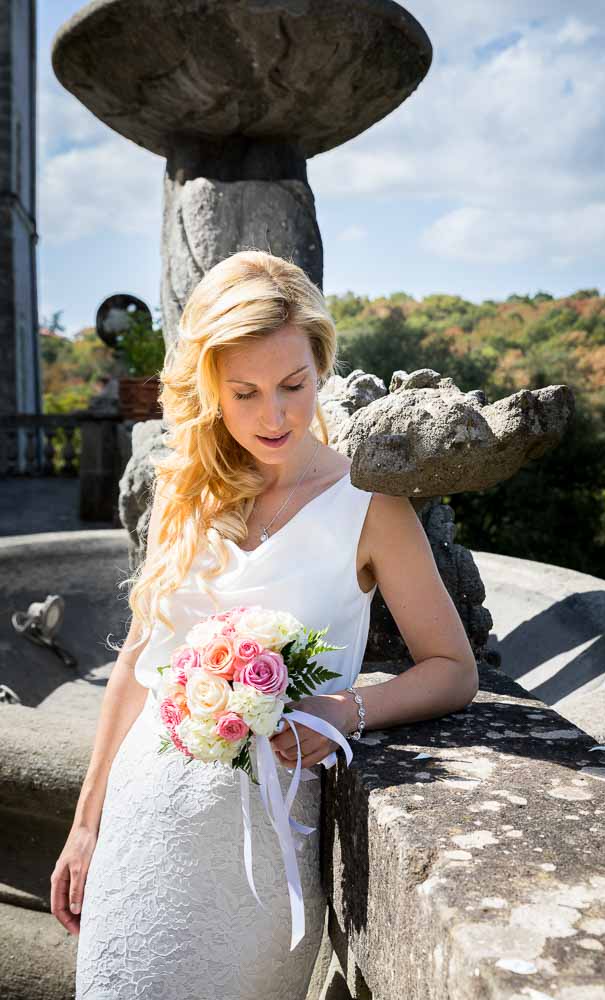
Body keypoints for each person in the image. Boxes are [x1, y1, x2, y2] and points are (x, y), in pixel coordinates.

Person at [50, 249, 479, 999]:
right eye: (243, 392)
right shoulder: (184, 492)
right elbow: (136, 667)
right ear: (208, 386)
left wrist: (348, 709)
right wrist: (86, 824)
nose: (273, 416)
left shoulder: (370, 506)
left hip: (259, 845)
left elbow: (452, 668)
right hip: (141, 820)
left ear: (322, 368)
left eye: (293, 385)